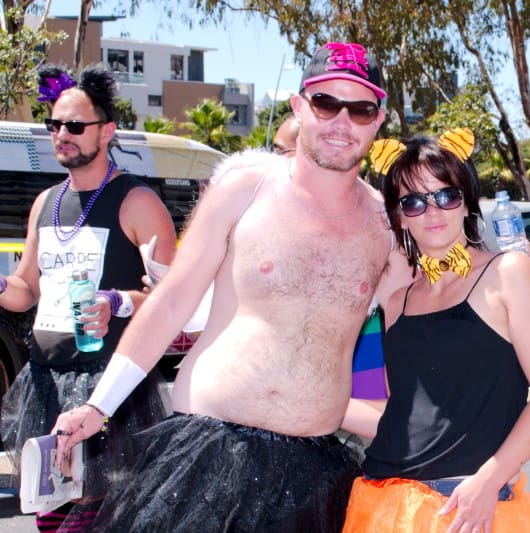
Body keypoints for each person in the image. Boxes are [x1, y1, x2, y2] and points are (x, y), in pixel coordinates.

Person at [50, 42, 399, 532]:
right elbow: (173, 300)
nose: (342, 122)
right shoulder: (243, 189)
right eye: (325, 103)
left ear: (378, 120)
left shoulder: (388, 226)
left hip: (315, 480)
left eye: (359, 109)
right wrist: (98, 405)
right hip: (206, 461)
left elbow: (430, 326)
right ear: (300, 106)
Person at [341, 131, 530, 532]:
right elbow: (403, 411)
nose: (432, 211)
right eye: (413, 202)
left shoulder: (508, 273)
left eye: (446, 195)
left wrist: (492, 477)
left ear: (466, 201)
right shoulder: (396, 302)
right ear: (398, 217)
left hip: (467, 507)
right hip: (384, 504)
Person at [0, 64, 176, 531]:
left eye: (75, 126)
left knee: (99, 518)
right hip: (44, 381)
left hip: (107, 386)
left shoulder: (136, 201)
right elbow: (26, 290)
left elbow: (174, 299)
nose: (62, 135)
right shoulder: (45, 202)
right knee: (50, 518)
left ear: (107, 130)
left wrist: (117, 302)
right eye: (54, 125)